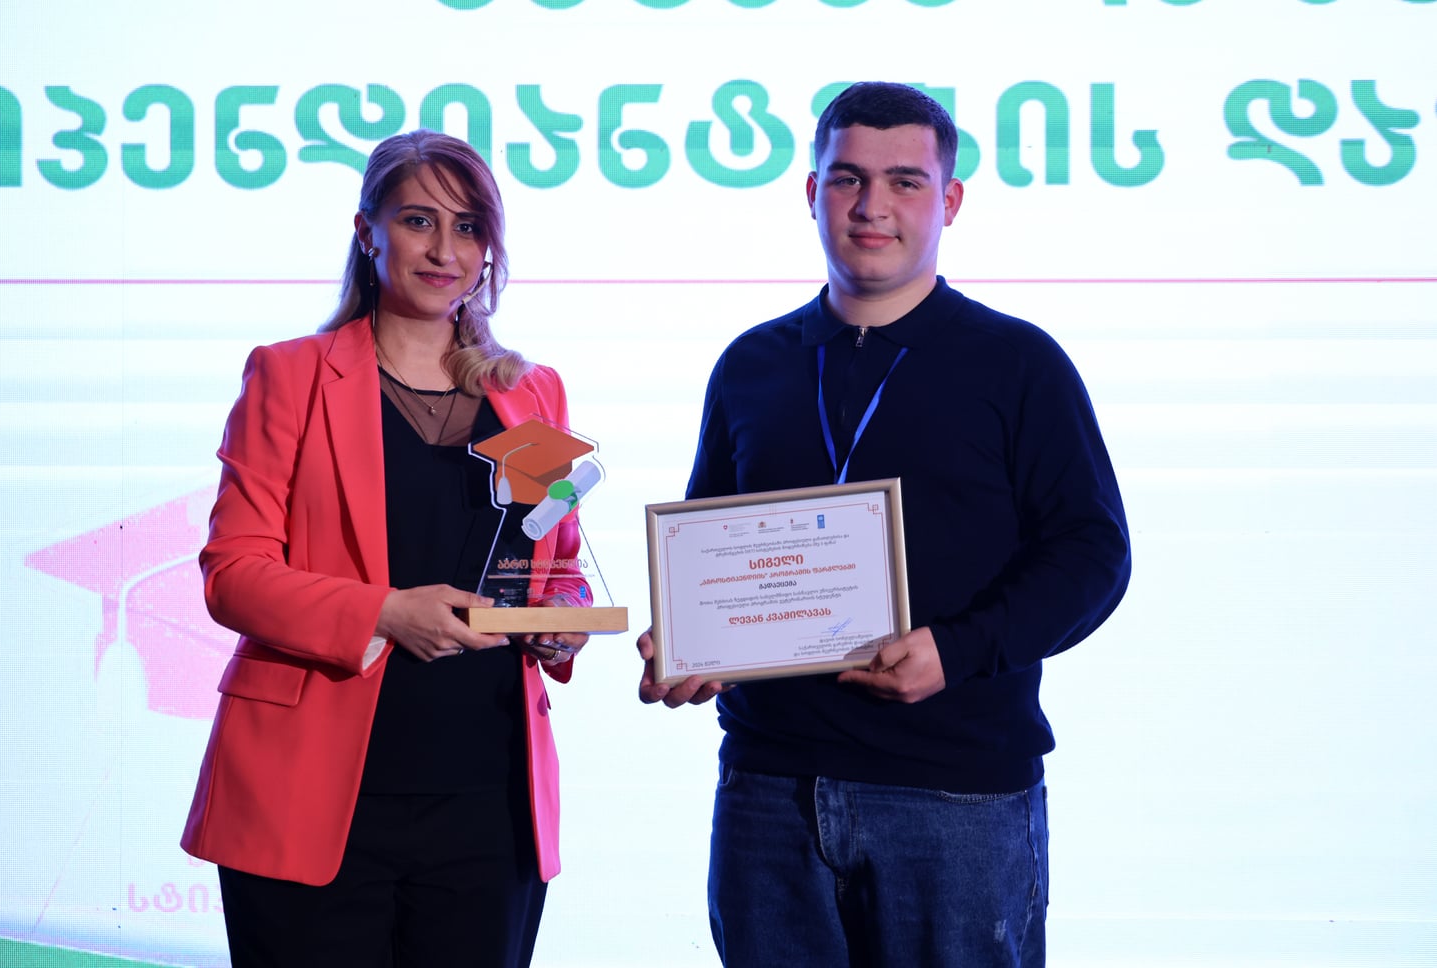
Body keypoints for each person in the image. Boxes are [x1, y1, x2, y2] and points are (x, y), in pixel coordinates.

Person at [637, 82, 1132, 967]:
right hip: (770, 790)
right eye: (847, 179)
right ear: (812, 192)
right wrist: (691, 642)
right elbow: (712, 545)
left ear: (950, 200)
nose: (872, 206)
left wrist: (958, 649)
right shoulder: (751, 365)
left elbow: (1093, 555)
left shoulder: (1018, 363)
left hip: (955, 796)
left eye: (905, 181)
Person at [182, 129, 592, 968]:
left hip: (488, 798)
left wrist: (564, 622)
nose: (445, 251)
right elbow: (234, 575)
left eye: (469, 227)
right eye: (418, 221)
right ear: (367, 231)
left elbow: (560, 566)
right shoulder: (290, 375)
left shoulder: (532, 391)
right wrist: (385, 612)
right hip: (311, 792)